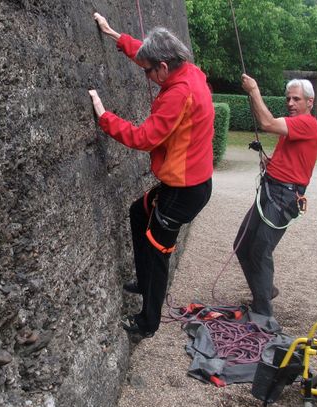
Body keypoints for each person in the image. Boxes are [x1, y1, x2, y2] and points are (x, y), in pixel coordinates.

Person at [88, 13, 214, 338]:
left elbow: (144, 138)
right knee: (137, 212)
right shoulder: (190, 71)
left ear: (163, 66)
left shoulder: (178, 93)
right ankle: (143, 283)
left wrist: (104, 117)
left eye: (149, 71)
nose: (148, 75)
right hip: (186, 184)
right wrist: (116, 36)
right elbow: (149, 56)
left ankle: (148, 322)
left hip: (183, 192)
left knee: (158, 251)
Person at [235, 74, 317, 321]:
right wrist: (271, 163)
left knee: (261, 249)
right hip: (271, 188)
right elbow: (291, 158)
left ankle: (263, 316)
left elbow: (267, 122)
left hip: (284, 196)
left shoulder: (307, 123)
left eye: (297, 99)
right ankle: (265, 290)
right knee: (242, 243)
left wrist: (254, 90)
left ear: (310, 102)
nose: (291, 103)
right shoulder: (295, 125)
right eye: (288, 99)